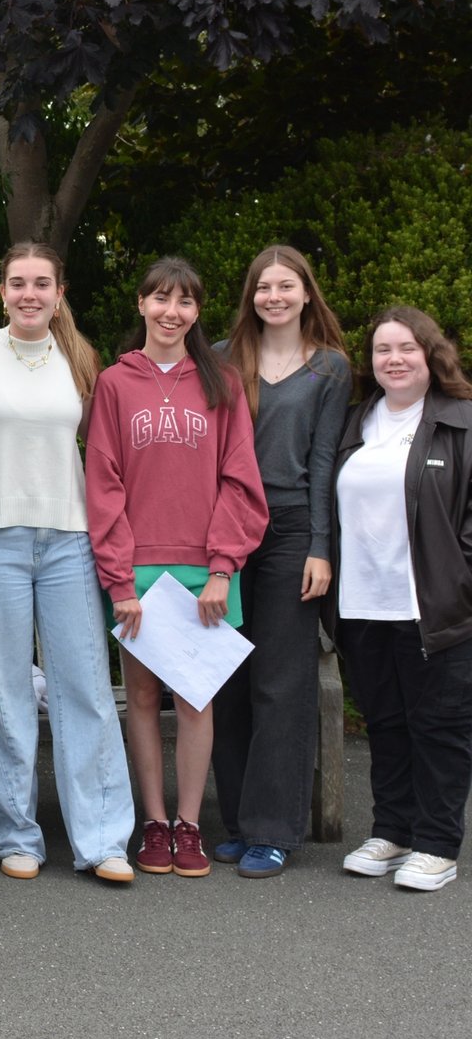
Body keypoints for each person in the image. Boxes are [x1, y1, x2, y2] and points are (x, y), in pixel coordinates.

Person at [0, 242, 135, 884]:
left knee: (84, 686)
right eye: (17, 282)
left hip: (68, 538)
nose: (28, 294)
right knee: (2, 690)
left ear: (60, 294)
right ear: (1, 291)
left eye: (41, 283)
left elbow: (102, 453)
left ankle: (102, 840)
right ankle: (17, 836)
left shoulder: (82, 359)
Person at [85, 256, 267, 878]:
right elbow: (103, 484)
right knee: (140, 696)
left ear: (197, 312)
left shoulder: (223, 383)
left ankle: (189, 825)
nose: (172, 312)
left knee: (194, 697)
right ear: (141, 304)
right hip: (136, 571)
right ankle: (154, 823)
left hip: (205, 573)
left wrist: (222, 568)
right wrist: (118, 580)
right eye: (161, 299)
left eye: (185, 301)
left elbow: (240, 480)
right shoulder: (115, 383)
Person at [210, 247, 350, 877]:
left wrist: (321, 546)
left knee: (281, 683)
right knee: (229, 681)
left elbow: (323, 462)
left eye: (285, 286)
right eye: (264, 287)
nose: (274, 296)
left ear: (305, 293)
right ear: (251, 295)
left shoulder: (329, 368)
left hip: (292, 530)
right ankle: (240, 823)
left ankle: (273, 829)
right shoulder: (221, 359)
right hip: (227, 531)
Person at [330, 307, 472, 892]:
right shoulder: (356, 421)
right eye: (383, 350)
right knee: (386, 724)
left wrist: (460, 577)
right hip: (364, 603)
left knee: (439, 727)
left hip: (432, 606)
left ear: (430, 354)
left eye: (406, 348)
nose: (395, 359)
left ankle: (437, 844)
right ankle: (392, 831)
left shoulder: (460, 422)